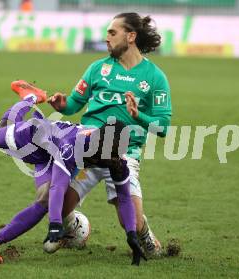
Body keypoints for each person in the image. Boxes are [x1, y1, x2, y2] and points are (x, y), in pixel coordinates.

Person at [0, 80, 146, 265]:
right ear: (99, 143)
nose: (114, 158)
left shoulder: (116, 159)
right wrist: (55, 224)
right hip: (36, 138)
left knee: (44, 201)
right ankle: (30, 97)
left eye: (117, 153)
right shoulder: (73, 145)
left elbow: (125, 198)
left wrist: (131, 234)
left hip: (51, 156)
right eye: (111, 152)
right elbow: (58, 186)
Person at [48, 12, 172, 257]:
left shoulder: (155, 78)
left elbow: (163, 127)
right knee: (55, 202)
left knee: (133, 226)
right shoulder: (98, 68)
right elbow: (75, 103)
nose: (106, 38)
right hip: (89, 149)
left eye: (112, 33)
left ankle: (145, 234)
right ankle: (75, 228)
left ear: (131, 36)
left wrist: (139, 116)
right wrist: (63, 105)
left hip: (123, 154)